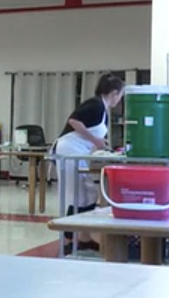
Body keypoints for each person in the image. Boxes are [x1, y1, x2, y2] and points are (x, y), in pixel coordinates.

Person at [53, 73, 126, 253]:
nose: (120, 99)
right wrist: (95, 140)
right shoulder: (94, 104)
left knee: (88, 193)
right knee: (75, 194)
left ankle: (84, 239)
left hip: (80, 151)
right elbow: (74, 121)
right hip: (68, 150)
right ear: (114, 93)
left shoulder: (102, 108)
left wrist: (100, 143)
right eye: (120, 95)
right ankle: (68, 240)